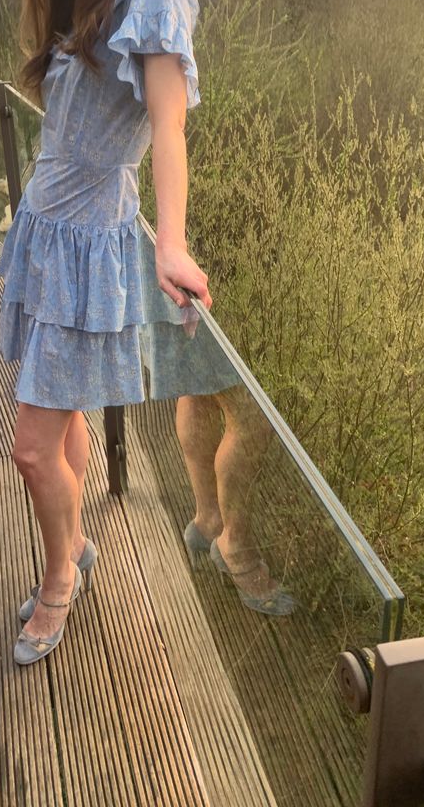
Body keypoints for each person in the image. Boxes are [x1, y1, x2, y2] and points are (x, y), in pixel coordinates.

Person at [0, 0, 212, 666]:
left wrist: (172, 241)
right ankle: (77, 541)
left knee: (29, 445)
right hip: (45, 238)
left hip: (92, 245)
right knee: (66, 415)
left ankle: (61, 578)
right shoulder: (77, 3)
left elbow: (167, 129)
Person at [138, 229, 296, 616]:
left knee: (198, 382)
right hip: (193, 252)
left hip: (175, 240)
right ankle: (235, 548)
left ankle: (208, 521)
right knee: (251, 414)